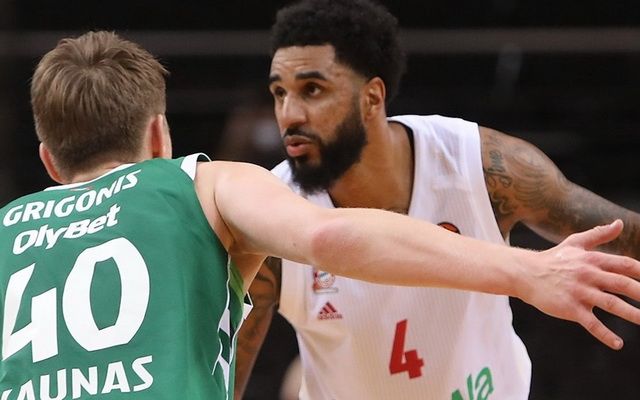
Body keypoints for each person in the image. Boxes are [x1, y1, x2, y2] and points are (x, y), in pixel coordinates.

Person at [233, 1, 640, 399]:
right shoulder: (271, 217)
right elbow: (221, 374)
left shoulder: (481, 165)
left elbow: (628, 237)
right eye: (279, 92)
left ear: (372, 97)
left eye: (312, 89)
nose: (289, 114)